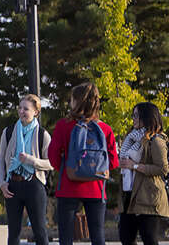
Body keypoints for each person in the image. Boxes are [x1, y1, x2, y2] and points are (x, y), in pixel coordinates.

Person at [48, 82, 120, 245]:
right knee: (97, 236)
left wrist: (67, 170)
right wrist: (98, 170)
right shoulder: (104, 129)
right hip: (96, 188)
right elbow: (114, 161)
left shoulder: (63, 125)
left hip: (68, 186)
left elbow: (53, 156)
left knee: (65, 237)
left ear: (77, 101)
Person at [0, 94, 53, 245]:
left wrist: (32, 160)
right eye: (20, 108)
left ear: (36, 112)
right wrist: (2, 183)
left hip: (34, 184)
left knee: (40, 231)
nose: (21, 111)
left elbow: (51, 163)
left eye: (26, 109)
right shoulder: (8, 132)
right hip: (12, 185)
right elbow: (1, 160)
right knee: (13, 232)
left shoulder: (43, 134)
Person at [118, 102, 169, 245]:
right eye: (133, 115)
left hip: (148, 197)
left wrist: (134, 166)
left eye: (136, 116)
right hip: (130, 195)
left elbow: (162, 168)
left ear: (146, 118)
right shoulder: (131, 138)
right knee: (126, 238)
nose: (133, 119)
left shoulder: (156, 140)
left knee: (149, 239)